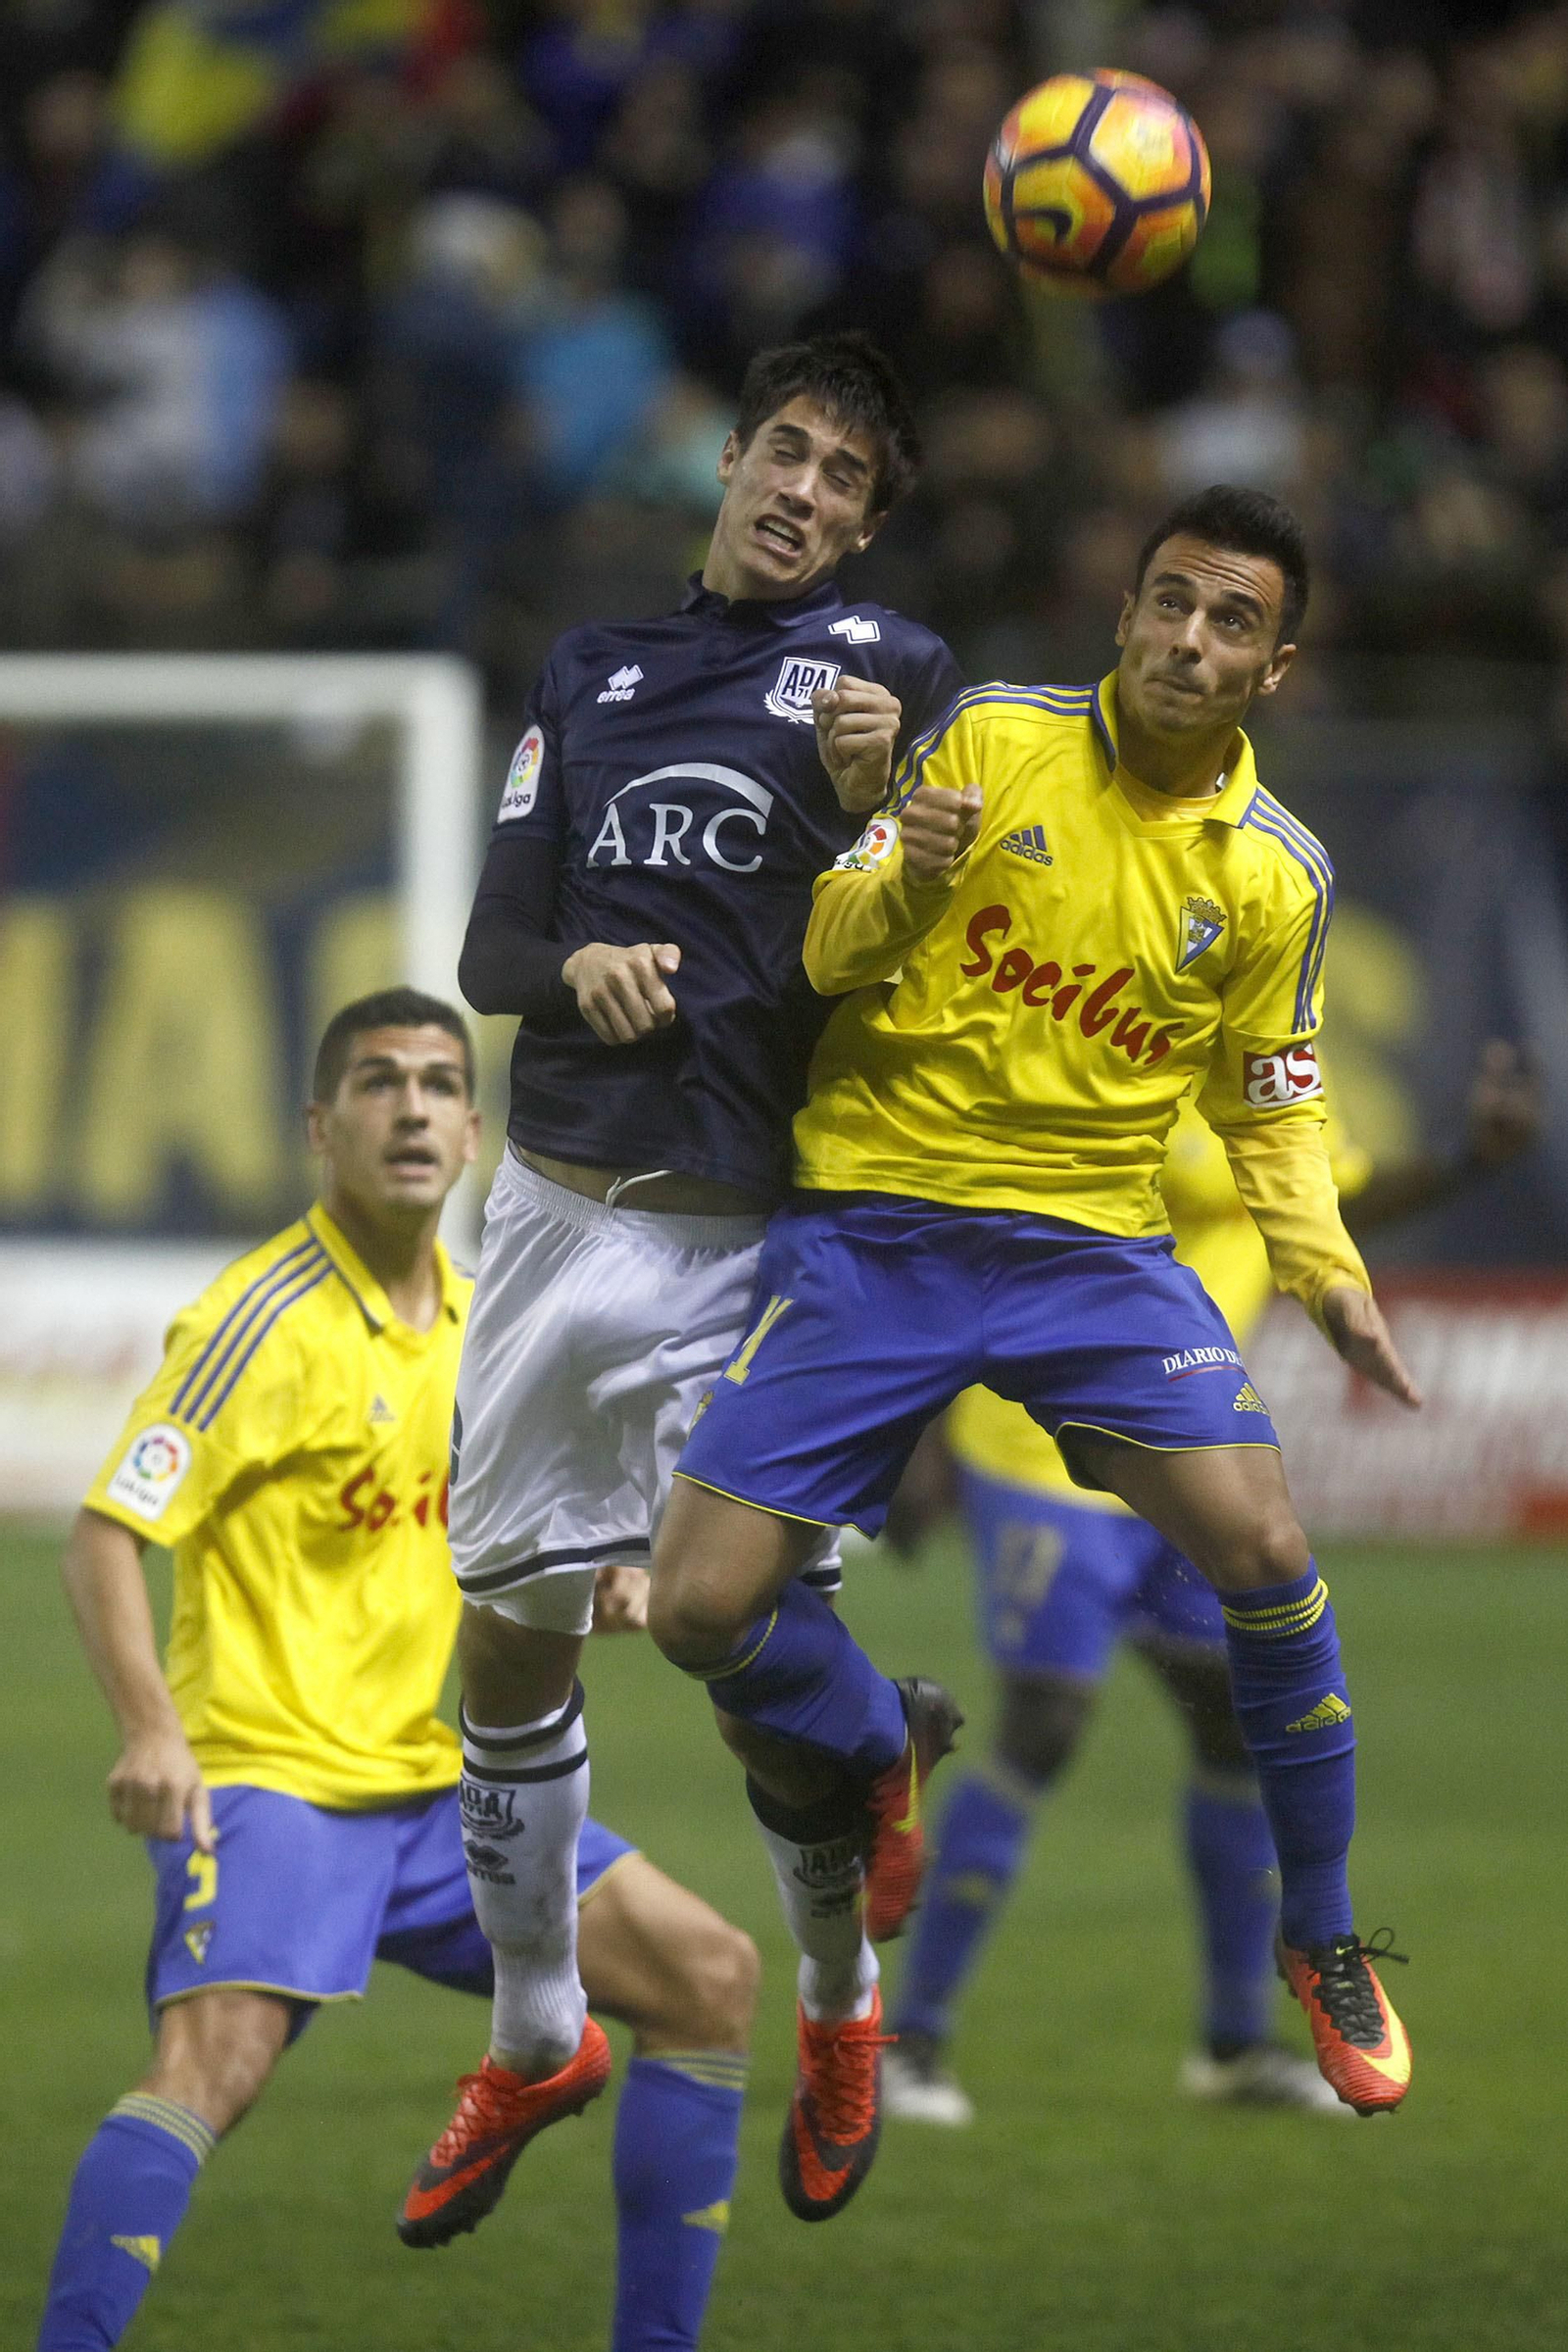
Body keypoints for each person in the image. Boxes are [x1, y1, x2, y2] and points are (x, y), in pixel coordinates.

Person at [650, 484, 1425, 2222]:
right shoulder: (991, 737)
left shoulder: (1277, 875)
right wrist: (905, 881)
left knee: (1271, 1551)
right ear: (1126, 608)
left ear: (1274, 665)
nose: (1187, 643)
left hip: (1092, 1255)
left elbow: (1274, 1107)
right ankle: (877, 1748)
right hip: (879, 1227)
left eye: (1231, 624)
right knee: (699, 1610)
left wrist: (1327, 1275)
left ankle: (1319, 1941)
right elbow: (825, 956)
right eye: (1168, 603)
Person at [402, 330, 964, 2241]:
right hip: (556, 1217)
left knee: (737, 1673)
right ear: (726, 461)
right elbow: (493, 943)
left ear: (864, 530)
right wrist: (580, 975)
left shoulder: (889, 679)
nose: (801, 491)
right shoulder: (590, 670)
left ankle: (836, 2005)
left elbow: (932, 939)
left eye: (841, 482)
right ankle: (538, 2028)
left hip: (747, 1242)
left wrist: (877, 809)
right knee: (509, 1642)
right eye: (784, 454)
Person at [37, 990, 760, 2352]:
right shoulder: (261, 1322)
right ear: (322, 1127)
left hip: (430, 1792)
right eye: (379, 1083)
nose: (413, 1108)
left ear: (479, 1132)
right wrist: (152, 1734)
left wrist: (606, 1585)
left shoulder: (496, 1329)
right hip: (268, 1785)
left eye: (438, 1084)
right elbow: (102, 1537)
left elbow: (518, 1544)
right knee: (213, 2065)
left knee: (709, 1974)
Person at [881, 1044, 1540, 2126]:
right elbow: (974, 1222)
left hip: (1185, 1455)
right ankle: (915, 2042)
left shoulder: (1268, 1076)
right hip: (1042, 1446)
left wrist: (1470, 1158)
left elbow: (1327, 1205)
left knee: (1235, 1725)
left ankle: (1234, 2044)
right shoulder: (1110, 1047)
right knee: (1043, 1724)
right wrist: (917, 1426)